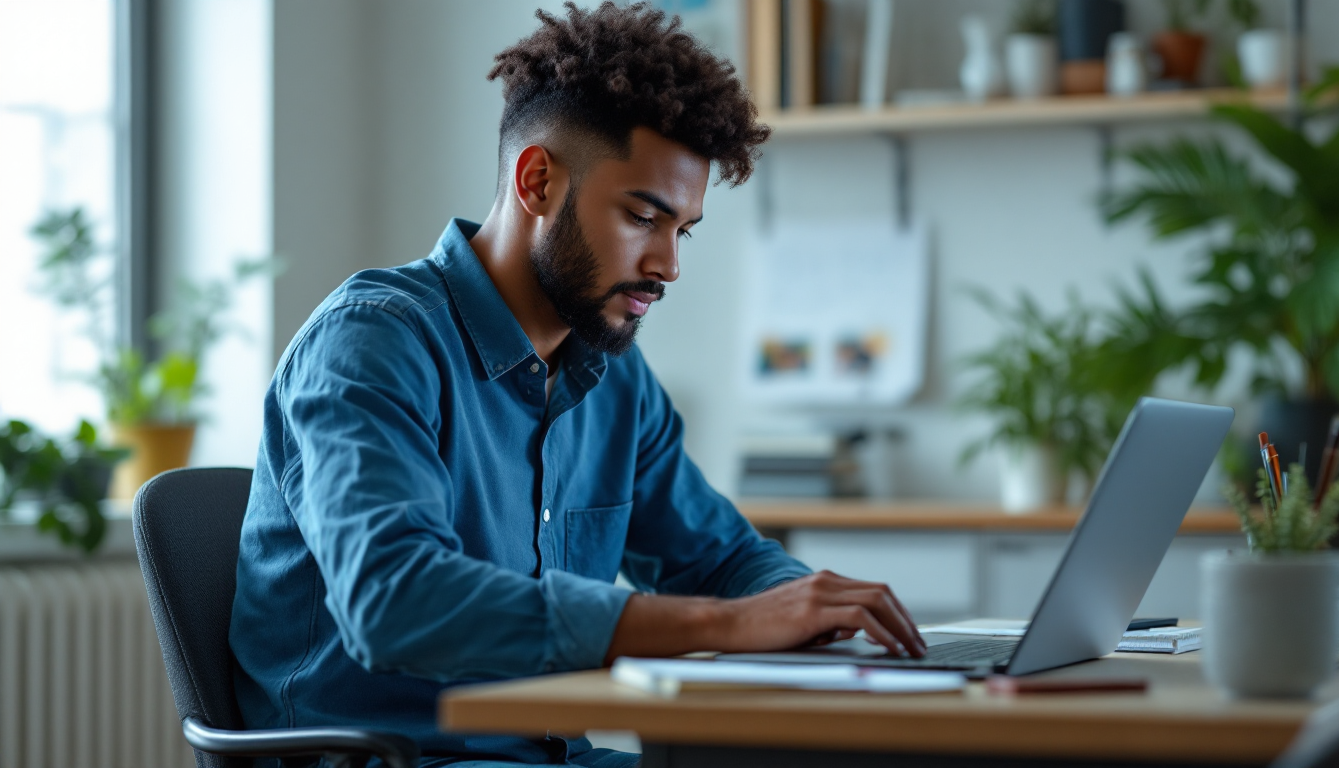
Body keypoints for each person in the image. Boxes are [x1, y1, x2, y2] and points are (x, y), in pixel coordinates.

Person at [230, 3, 924, 766]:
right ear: (538, 181)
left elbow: (720, 561)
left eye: (682, 230)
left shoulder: (612, 373)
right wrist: (727, 626)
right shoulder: (371, 342)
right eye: (643, 217)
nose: (669, 266)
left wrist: (817, 614)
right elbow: (394, 599)